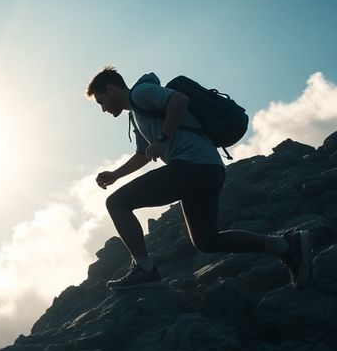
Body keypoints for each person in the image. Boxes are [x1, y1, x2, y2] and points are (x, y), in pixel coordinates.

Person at [86, 65, 312, 289]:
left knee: (117, 203)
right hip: (209, 170)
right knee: (206, 240)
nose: (103, 109)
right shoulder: (137, 115)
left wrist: (163, 139)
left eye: (101, 101)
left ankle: (144, 268)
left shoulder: (141, 92)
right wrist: (115, 175)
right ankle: (286, 246)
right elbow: (143, 154)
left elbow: (179, 100)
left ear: (112, 89)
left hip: (192, 166)